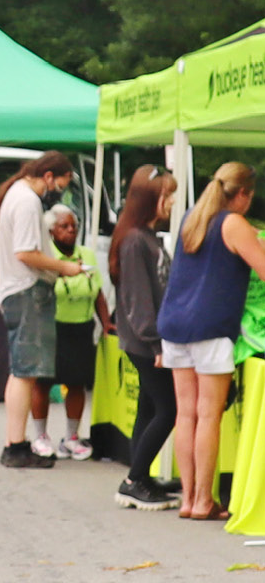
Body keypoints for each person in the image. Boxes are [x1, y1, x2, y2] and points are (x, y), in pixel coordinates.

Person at [157, 161, 265, 519]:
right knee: (208, 416)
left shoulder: (194, 216)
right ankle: (205, 500)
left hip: (174, 326)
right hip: (211, 327)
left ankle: (189, 500)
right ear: (244, 195)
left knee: (186, 415)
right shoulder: (234, 223)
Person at [0, 152, 87, 469]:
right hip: (28, 290)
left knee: (23, 372)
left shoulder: (16, 195)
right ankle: (16, 445)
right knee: (25, 372)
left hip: (17, 290)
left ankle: (14, 441)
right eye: (59, 185)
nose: (57, 192)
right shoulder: (28, 201)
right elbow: (26, 253)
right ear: (47, 176)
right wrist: (64, 267)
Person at [107, 165, 179, 510]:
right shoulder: (136, 240)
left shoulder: (145, 237)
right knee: (168, 409)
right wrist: (156, 344)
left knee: (149, 409)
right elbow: (139, 301)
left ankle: (141, 475)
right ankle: (133, 479)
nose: (171, 201)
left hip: (146, 341)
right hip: (145, 343)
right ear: (152, 199)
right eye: (167, 194)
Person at [27, 204, 110, 460]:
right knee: (42, 382)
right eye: (64, 226)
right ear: (51, 231)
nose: (71, 230)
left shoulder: (87, 254)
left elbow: (97, 292)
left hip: (81, 327)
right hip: (51, 326)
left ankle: (71, 438)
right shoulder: (45, 256)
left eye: (74, 225)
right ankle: (40, 436)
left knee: (76, 382)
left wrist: (105, 323)